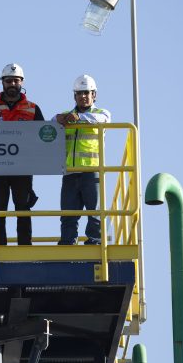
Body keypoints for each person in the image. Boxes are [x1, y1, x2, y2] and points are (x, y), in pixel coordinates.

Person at [0, 63, 44, 245]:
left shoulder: (33, 108)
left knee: (23, 208)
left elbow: (43, 138)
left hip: (23, 167)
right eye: (8, 81)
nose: (12, 84)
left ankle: (24, 246)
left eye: (16, 80)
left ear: (21, 82)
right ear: (2, 83)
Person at [55, 74, 111, 245]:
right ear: (75, 96)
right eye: (79, 93)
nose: (83, 96)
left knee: (94, 212)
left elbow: (103, 120)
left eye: (87, 93)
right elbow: (51, 123)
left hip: (92, 171)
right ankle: (67, 243)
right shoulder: (66, 116)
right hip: (70, 172)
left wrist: (78, 118)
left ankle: (95, 241)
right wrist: (59, 119)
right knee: (68, 213)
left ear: (94, 95)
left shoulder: (101, 113)